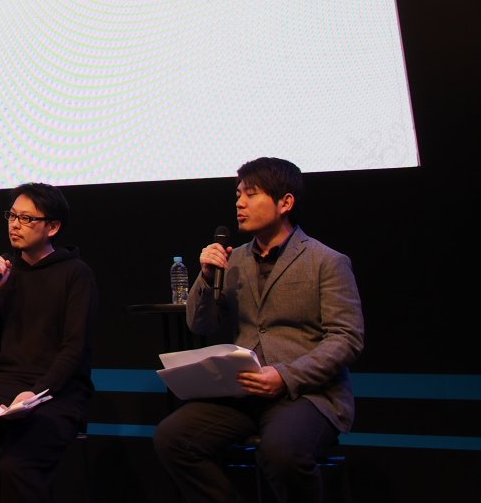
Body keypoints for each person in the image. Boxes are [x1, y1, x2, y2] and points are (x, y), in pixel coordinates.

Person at [153, 157, 364, 503]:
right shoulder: (233, 260)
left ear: (285, 202)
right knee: (173, 438)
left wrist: (284, 376)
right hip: (245, 391)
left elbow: (346, 338)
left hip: (306, 393)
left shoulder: (326, 261)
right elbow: (199, 324)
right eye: (238, 195)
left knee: (281, 453)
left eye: (251, 195)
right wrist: (206, 277)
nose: (240, 203)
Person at [0, 182, 98, 503]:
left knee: (18, 465)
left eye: (27, 219)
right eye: (12, 216)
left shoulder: (76, 274)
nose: (15, 225)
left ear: (52, 227)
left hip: (56, 391)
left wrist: (36, 392)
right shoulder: (5, 270)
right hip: (3, 384)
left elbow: (74, 348)